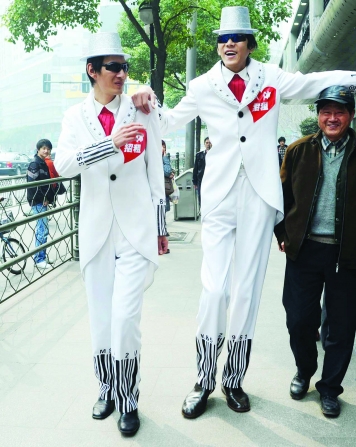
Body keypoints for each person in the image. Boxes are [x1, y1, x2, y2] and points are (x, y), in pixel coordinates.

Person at [132, 6, 356, 419]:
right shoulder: (201, 86)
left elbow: (319, 81)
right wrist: (140, 94)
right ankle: (203, 379)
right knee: (214, 291)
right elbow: (164, 123)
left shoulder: (270, 77)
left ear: (249, 44)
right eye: (223, 38)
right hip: (218, 198)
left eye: (237, 38)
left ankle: (233, 380)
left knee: (247, 293)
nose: (229, 43)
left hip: (258, 196)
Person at [54, 32, 168, 436]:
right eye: (113, 67)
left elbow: (155, 170)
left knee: (124, 318)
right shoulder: (74, 117)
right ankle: (106, 389)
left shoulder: (142, 109)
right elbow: (64, 166)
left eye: (125, 67)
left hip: (136, 231)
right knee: (101, 320)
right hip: (96, 232)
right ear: (92, 70)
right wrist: (108, 144)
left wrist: (160, 227)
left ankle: (129, 399)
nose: (121, 74)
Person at [275, 86, 356, 417]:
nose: (332, 118)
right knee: (299, 320)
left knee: (340, 327)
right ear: (318, 116)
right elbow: (281, 198)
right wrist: (283, 234)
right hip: (304, 251)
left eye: (340, 112)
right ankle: (304, 370)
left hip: (347, 254)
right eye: (326, 111)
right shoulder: (298, 151)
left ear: (351, 115)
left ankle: (330, 387)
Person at [27, 138, 56, 270]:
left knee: (43, 229)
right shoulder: (35, 164)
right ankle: (39, 259)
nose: (46, 151)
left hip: (42, 201)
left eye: (48, 149)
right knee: (42, 230)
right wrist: (43, 198)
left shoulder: (43, 163)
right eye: (44, 148)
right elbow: (33, 185)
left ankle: (41, 257)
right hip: (38, 201)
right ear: (38, 149)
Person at [192, 137, 211, 208]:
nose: (208, 144)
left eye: (209, 143)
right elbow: (195, 169)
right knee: (200, 196)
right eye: (207, 143)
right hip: (201, 179)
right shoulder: (199, 155)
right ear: (204, 144)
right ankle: (202, 209)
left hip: (211, 179)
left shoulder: (215, 155)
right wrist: (194, 182)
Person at [162, 140, 174, 212]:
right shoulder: (160, 158)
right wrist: (165, 158)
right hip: (162, 189)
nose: (163, 149)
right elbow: (167, 171)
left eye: (164, 147)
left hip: (164, 188)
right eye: (162, 147)